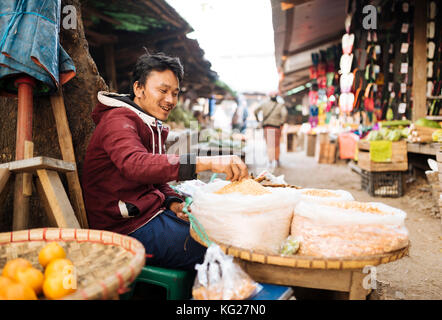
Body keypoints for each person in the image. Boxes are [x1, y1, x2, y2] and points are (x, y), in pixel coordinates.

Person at [82, 52, 248, 271]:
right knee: (218, 249)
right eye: (162, 91)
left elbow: (154, 176)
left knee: (221, 231)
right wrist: (206, 162)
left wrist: (172, 201)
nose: (170, 100)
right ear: (138, 89)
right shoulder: (118, 120)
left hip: (150, 216)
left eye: (174, 93)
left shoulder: (149, 124)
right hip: (125, 228)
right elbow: (136, 165)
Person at [254, 94, 287, 168]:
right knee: (277, 144)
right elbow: (284, 114)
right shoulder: (280, 105)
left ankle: (270, 161)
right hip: (277, 127)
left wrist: (258, 120)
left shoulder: (264, 104)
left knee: (269, 144)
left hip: (267, 127)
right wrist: (281, 122)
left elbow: (255, 111)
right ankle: (277, 160)